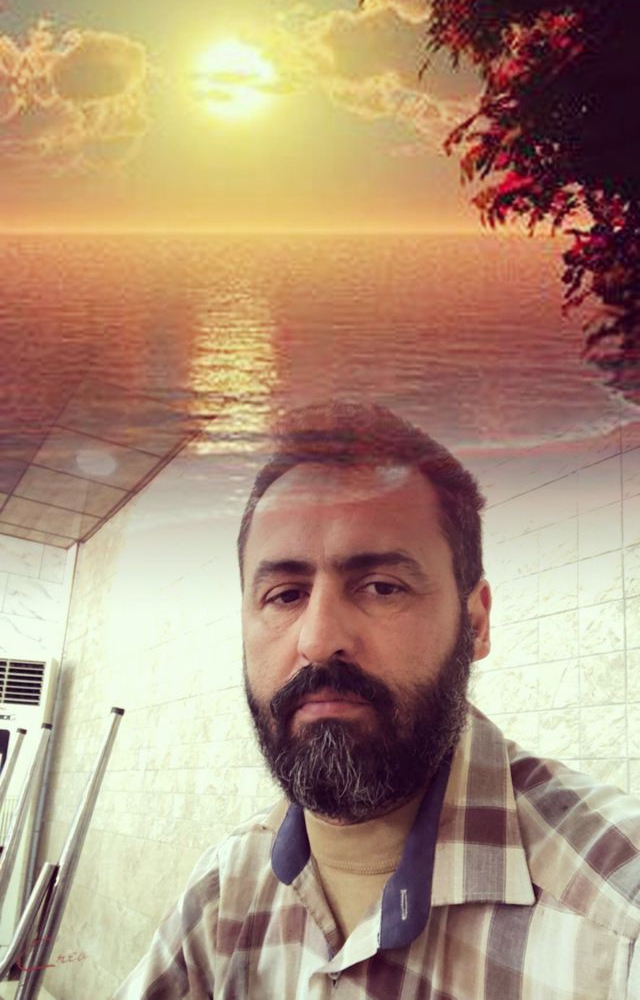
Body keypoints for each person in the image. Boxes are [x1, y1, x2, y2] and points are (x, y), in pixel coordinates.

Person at [114, 400, 640, 999]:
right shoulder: (224, 891)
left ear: (475, 623)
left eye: (381, 587)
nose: (318, 640)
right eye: (285, 594)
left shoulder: (618, 917)